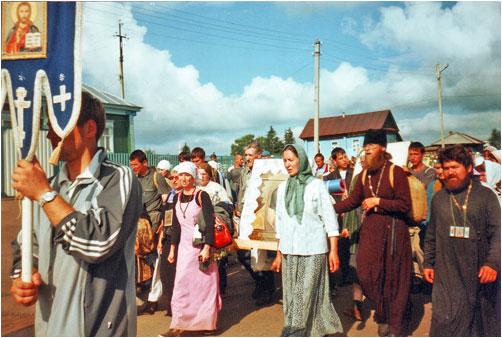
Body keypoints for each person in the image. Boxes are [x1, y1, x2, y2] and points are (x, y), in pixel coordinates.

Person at [9, 91, 142, 336]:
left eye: (58, 126)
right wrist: (24, 275)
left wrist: (45, 195)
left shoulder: (118, 178)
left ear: (89, 128)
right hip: (50, 328)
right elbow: (27, 243)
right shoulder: (51, 185)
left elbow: (98, 243)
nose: (49, 135)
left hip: (100, 330)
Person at [333, 129, 412, 337]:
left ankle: (392, 322)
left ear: (383, 148)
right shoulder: (363, 175)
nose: (367, 149)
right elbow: (352, 201)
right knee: (366, 275)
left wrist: (379, 202)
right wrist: (329, 208)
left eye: (372, 145)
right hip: (371, 234)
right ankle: (384, 310)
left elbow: (405, 205)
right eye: (365, 146)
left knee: (393, 279)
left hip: (394, 233)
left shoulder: (395, 172)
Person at [424, 145, 500, 336]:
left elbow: (498, 233)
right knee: (444, 319)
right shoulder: (439, 198)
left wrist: (492, 263)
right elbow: (431, 234)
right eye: (446, 168)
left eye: (455, 167)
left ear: (467, 168)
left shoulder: (485, 196)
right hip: (447, 271)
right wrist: (428, 263)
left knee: (480, 322)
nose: (450, 172)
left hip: (479, 270)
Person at [271, 143, 343, 336]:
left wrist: (333, 251)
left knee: (303, 295)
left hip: (313, 251)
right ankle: (311, 332)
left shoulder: (316, 185)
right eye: (285, 160)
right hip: (289, 251)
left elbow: (330, 220)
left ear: (301, 160)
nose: (287, 164)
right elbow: (280, 223)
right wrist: (278, 254)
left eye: (291, 160)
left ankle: (293, 333)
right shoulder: (282, 188)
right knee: (291, 296)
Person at [161, 161, 221, 337]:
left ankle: (207, 324)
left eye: (187, 175)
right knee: (181, 285)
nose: (184, 178)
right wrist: (172, 249)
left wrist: (207, 248)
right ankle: (177, 325)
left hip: (201, 247)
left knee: (204, 287)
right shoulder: (177, 197)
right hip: (184, 249)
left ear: (193, 177)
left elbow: (209, 223)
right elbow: (176, 226)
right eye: (181, 175)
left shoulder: (202, 195)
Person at [130, 150, 171, 314]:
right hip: (140, 228)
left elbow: (167, 201)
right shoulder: (134, 179)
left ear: (144, 163)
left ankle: (157, 299)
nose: (132, 167)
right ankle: (148, 295)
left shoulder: (156, 177)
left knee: (157, 261)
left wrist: (164, 224)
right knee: (144, 260)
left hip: (155, 226)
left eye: (135, 164)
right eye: (131, 164)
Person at [236, 142, 276, 306]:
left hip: (260, 216)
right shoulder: (245, 172)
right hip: (245, 216)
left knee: (262, 253)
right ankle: (260, 281)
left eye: (250, 155)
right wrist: (238, 206)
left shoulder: (266, 171)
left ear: (258, 156)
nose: (247, 158)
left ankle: (267, 288)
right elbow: (241, 191)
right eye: (245, 155)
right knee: (243, 253)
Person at [198, 162, 233, 295]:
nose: (201, 177)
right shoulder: (194, 189)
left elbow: (227, 206)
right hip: (200, 230)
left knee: (218, 260)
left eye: (204, 174)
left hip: (215, 229)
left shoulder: (216, 188)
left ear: (209, 175)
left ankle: (220, 288)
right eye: (199, 174)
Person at [406, 141, 436, 292]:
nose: (412, 157)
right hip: (409, 217)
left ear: (422, 155)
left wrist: (406, 177)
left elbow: (422, 188)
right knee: (408, 250)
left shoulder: (429, 172)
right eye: (410, 154)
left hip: (424, 218)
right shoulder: (407, 171)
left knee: (420, 249)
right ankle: (416, 280)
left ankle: (428, 279)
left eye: (416, 154)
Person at [325, 147, 354, 292]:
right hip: (337, 215)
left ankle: (350, 273)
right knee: (340, 244)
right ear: (334, 161)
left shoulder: (354, 174)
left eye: (345, 156)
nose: (344, 159)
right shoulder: (329, 178)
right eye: (340, 158)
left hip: (353, 214)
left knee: (352, 243)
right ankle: (341, 275)